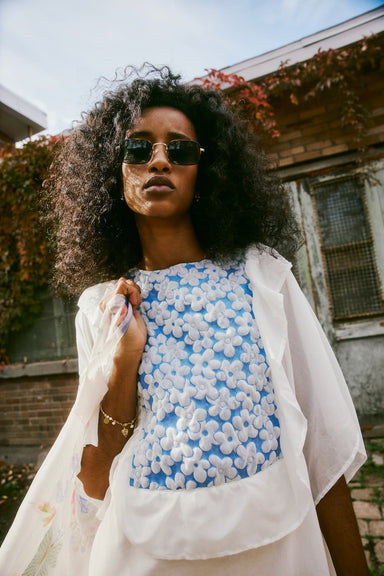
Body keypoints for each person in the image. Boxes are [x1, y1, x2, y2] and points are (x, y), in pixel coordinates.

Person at [0, 66, 369, 575]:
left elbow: (322, 446)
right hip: (145, 553)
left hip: (279, 547)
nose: (158, 160)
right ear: (115, 172)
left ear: (206, 173)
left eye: (180, 150)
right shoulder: (101, 307)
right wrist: (125, 356)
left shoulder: (265, 277)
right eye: (138, 148)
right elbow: (97, 475)